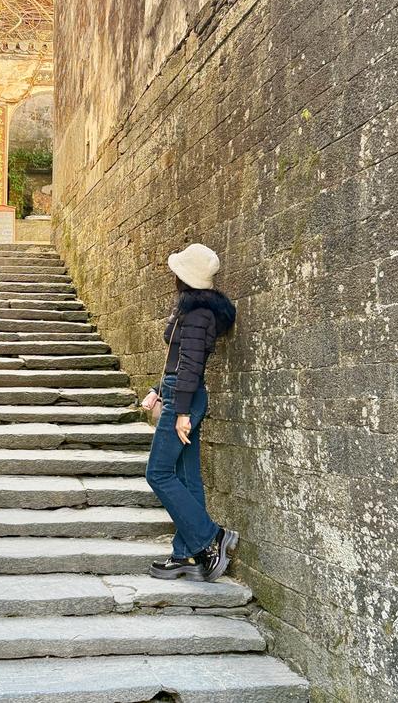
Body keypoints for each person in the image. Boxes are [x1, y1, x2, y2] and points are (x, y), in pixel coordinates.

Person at [142, 243, 237, 583]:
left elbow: (192, 365)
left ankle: (212, 537)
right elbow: (178, 360)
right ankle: (186, 555)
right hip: (181, 394)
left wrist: (180, 410)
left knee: (158, 473)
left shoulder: (198, 314)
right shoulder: (191, 310)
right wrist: (158, 389)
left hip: (186, 399)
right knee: (186, 477)